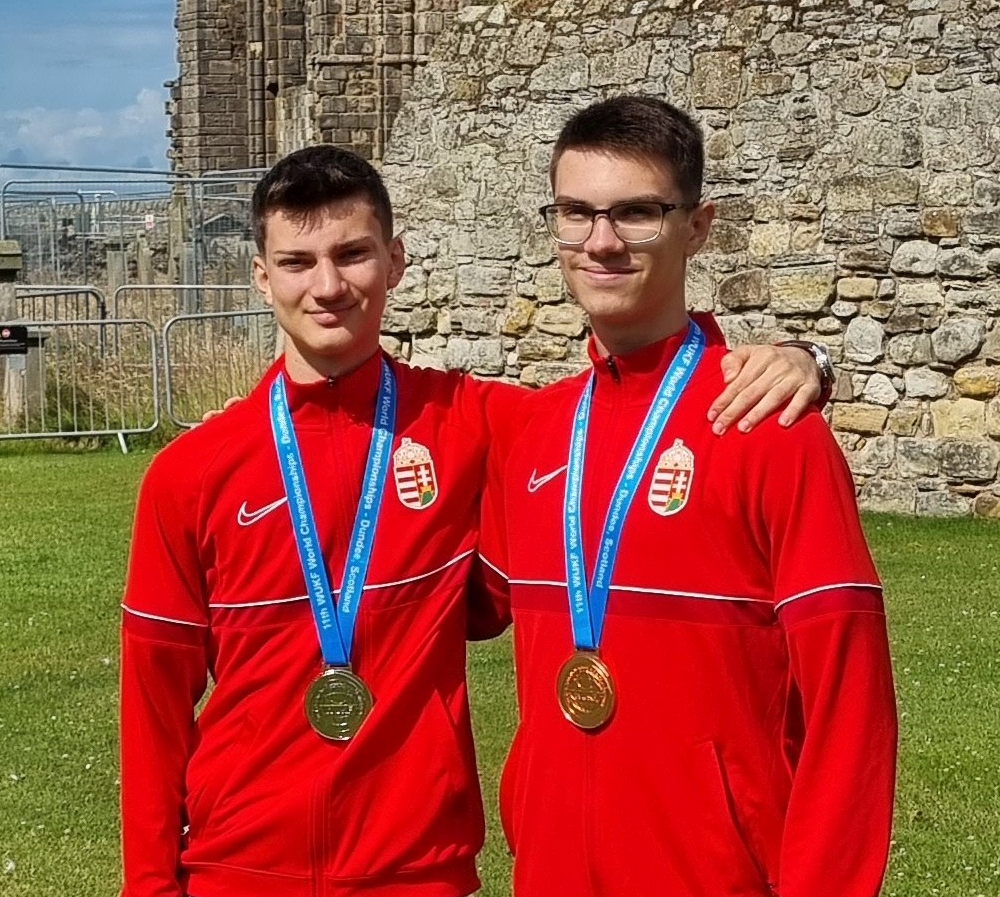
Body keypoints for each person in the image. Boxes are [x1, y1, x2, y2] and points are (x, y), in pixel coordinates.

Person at [119, 145, 824, 897]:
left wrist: (805, 359)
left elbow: (623, 406)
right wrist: (150, 885)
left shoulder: (474, 422)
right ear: (263, 277)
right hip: (237, 868)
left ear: (395, 262)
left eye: (353, 254)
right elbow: (153, 704)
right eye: (297, 262)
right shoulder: (190, 473)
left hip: (418, 870)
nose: (327, 286)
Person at [477, 95, 898, 897]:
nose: (601, 241)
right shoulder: (533, 432)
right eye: (575, 213)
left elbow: (850, 704)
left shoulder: (772, 428)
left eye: (637, 212)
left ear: (697, 227)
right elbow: (429, 598)